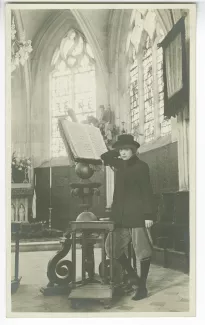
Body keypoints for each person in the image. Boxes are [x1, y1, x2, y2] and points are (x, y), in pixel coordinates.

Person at [101, 134, 154, 300]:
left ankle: (142, 287)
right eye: (120, 149)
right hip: (120, 216)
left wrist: (148, 215)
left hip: (138, 215)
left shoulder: (142, 166)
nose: (123, 152)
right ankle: (132, 274)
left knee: (142, 251)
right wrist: (116, 152)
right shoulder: (119, 164)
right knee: (111, 247)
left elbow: (147, 192)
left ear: (134, 150)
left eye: (126, 149)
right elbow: (104, 157)